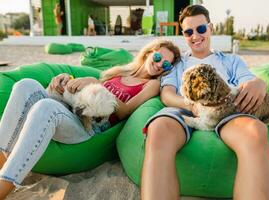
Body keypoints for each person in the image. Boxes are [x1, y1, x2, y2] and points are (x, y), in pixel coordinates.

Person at [0, 39, 180, 200]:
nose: (159, 65)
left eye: (166, 65)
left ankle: (5, 184)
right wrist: (67, 80)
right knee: (25, 85)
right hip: (72, 107)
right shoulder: (119, 72)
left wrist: (96, 83)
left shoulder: (152, 85)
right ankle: (2, 160)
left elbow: (123, 111)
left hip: (91, 126)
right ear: (149, 53)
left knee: (45, 107)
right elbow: (87, 90)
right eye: (158, 57)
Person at [141, 5, 269, 200]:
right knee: (158, 128)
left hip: (225, 110)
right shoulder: (177, 63)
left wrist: (258, 82)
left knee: (255, 131)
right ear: (184, 35)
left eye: (201, 29)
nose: (195, 36)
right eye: (189, 32)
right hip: (186, 109)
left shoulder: (231, 60)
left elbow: (248, 81)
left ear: (210, 28)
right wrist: (192, 106)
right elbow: (167, 94)